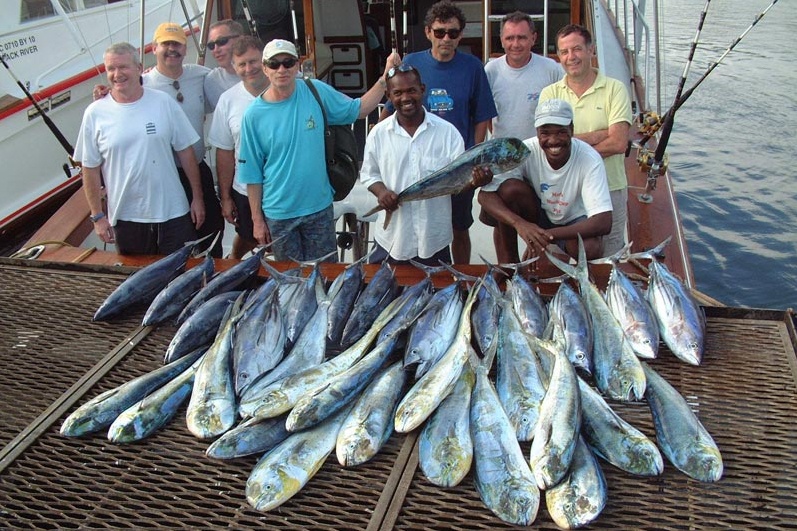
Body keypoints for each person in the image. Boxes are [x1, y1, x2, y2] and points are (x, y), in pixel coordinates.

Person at [237, 39, 400, 262]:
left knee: (326, 276)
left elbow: (359, 110)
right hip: (278, 214)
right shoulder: (253, 115)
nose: (281, 69)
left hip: (319, 209)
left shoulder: (315, 91)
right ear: (265, 69)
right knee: (291, 283)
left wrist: (385, 77)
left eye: (288, 62)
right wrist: (257, 220)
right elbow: (252, 174)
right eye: (274, 64)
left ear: (297, 66)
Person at [381, 0, 497, 264]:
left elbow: (482, 117)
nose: (446, 38)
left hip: (457, 164)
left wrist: (471, 157)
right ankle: (418, 270)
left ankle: (461, 276)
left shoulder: (473, 67)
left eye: (453, 33)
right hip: (415, 162)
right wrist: (378, 133)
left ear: (460, 35)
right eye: (440, 32)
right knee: (416, 221)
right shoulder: (411, 62)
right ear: (428, 33)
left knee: (459, 226)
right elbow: (391, 104)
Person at [74, 42, 205, 256]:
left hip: (174, 212)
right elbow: (89, 168)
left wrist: (197, 198)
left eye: (123, 67)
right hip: (126, 218)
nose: (117, 74)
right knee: (140, 284)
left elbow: (186, 152)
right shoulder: (94, 113)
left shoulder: (164, 102)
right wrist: (98, 216)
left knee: (183, 277)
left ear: (138, 67)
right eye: (111, 69)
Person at [361, 65, 492, 265]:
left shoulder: (448, 133)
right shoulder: (378, 134)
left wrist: (476, 182)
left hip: (434, 240)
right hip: (392, 240)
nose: (405, 98)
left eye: (411, 90)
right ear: (388, 95)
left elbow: (458, 182)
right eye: (398, 93)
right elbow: (370, 175)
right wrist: (382, 193)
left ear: (422, 89)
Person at [477, 99, 612, 260]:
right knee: (509, 189)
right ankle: (510, 264)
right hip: (539, 214)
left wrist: (543, 237)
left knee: (589, 247)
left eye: (561, 132)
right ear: (537, 132)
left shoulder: (589, 158)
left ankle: (579, 277)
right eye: (545, 133)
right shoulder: (525, 150)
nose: (553, 140)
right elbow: (484, 195)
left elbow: (604, 222)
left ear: (572, 130)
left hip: (573, 221)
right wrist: (520, 224)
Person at [539, 24, 632, 256]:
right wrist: (598, 134)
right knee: (558, 259)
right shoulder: (550, 94)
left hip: (610, 187)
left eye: (577, 49)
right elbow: (549, 143)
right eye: (564, 52)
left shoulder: (615, 89)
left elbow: (619, 143)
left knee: (608, 260)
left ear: (591, 50)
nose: (571, 57)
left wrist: (568, 143)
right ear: (558, 56)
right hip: (562, 193)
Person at [482, 10, 564, 262]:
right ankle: (508, 269)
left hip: (540, 158)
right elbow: (484, 113)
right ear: (501, 40)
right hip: (503, 158)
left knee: (542, 214)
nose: (515, 44)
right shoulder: (491, 70)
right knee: (501, 218)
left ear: (534, 38)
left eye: (521, 37)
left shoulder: (551, 69)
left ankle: (538, 263)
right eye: (509, 38)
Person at [143, 22, 225, 257]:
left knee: (212, 229)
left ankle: (215, 276)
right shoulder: (142, 84)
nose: (172, 49)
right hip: (164, 175)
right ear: (153, 48)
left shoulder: (200, 75)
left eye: (177, 44)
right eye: (165, 44)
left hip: (198, 169)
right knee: (175, 238)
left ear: (185, 48)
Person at [207, 36, 268, 259]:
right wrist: (225, 197)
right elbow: (224, 152)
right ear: (234, 67)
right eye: (242, 64)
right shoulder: (227, 100)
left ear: (264, 60)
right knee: (248, 235)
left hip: (282, 190)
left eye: (254, 61)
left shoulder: (288, 88)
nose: (249, 68)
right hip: (243, 189)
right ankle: (234, 259)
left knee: (280, 244)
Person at [204, 19, 244, 107]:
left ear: (240, 39)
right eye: (211, 45)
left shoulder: (266, 69)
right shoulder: (212, 81)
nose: (216, 49)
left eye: (221, 41)